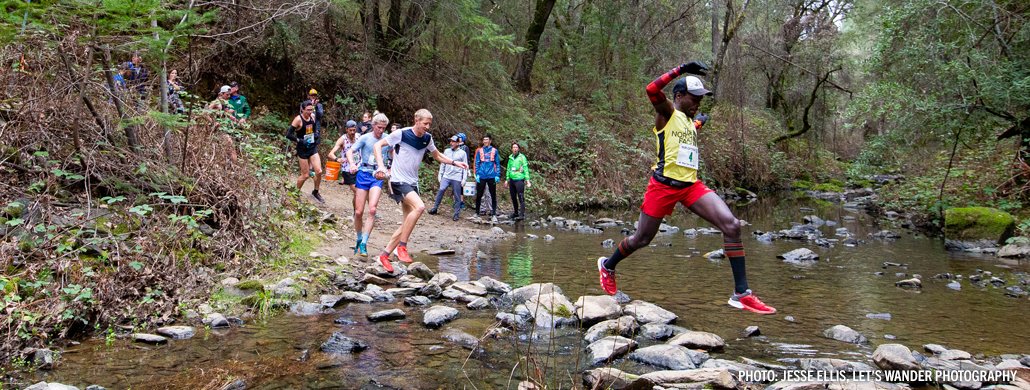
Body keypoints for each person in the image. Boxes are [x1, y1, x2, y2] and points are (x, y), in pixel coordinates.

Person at [596, 62, 776, 314]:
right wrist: (680, 69)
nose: (698, 104)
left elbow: (685, 137)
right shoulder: (667, 113)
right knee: (642, 238)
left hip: (691, 186)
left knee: (732, 226)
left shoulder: (689, 122)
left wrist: (699, 124)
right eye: (694, 99)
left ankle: (741, 293)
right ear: (679, 97)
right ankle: (608, 265)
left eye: (701, 100)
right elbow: (651, 90)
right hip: (662, 186)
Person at [372, 109, 468, 271]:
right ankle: (402, 246)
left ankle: (385, 255)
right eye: (425, 124)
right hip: (398, 180)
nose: (428, 127)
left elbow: (437, 156)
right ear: (416, 121)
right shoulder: (402, 134)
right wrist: (381, 166)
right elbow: (377, 145)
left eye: (429, 124)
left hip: (412, 182)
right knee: (420, 207)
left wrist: (454, 162)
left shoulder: (427, 138)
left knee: (407, 222)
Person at [346, 113, 391, 256]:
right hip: (363, 173)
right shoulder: (365, 138)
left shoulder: (387, 139)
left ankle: (365, 243)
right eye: (379, 127)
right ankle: (359, 240)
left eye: (384, 128)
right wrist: (352, 164)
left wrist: (390, 167)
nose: (381, 131)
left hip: (377, 175)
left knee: (372, 210)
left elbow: (392, 153)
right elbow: (350, 151)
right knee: (359, 212)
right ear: (373, 125)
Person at [285, 101, 325, 203]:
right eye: (307, 110)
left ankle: (316, 192)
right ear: (302, 109)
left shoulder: (312, 116)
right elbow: (288, 135)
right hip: (302, 148)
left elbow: (314, 127)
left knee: (319, 171)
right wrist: (299, 140)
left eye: (311, 110)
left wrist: (316, 134)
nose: (310, 112)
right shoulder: (298, 119)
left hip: (311, 147)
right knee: (305, 175)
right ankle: (296, 193)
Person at [428, 135, 469, 221]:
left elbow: (465, 166)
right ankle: (435, 208)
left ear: (458, 143)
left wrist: (464, 179)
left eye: (453, 141)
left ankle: (456, 213)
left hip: (457, 176)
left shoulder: (462, 153)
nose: (451, 143)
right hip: (447, 175)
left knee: (457, 194)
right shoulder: (447, 151)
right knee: (441, 189)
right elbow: (443, 162)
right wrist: (440, 174)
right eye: (450, 141)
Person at [473, 134, 501, 222]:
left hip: (492, 175)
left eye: (487, 139)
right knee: (479, 195)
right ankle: (477, 212)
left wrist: (497, 174)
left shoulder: (494, 151)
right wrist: (477, 174)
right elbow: (477, 163)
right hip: (482, 175)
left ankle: (493, 214)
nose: (485, 141)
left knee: (493, 195)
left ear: (490, 141)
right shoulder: (480, 151)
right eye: (484, 139)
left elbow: (497, 163)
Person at [504, 141, 531, 221]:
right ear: (512, 149)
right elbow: (508, 169)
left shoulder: (522, 157)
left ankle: (521, 214)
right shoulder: (510, 158)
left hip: (519, 179)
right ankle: (515, 212)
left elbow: (525, 169)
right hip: (512, 180)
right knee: (513, 197)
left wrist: (528, 180)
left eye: (516, 147)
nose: (515, 149)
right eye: (513, 147)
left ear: (518, 149)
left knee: (520, 197)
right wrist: (507, 179)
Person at [456, 133, 472, 209]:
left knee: (461, 185)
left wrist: (468, 170)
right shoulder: (454, 146)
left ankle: (461, 202)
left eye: (459, 137)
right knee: (454, 185)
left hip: (462, 168)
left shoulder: (465, 148)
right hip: (455, 167)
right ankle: (455, 201)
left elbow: (467, 159)